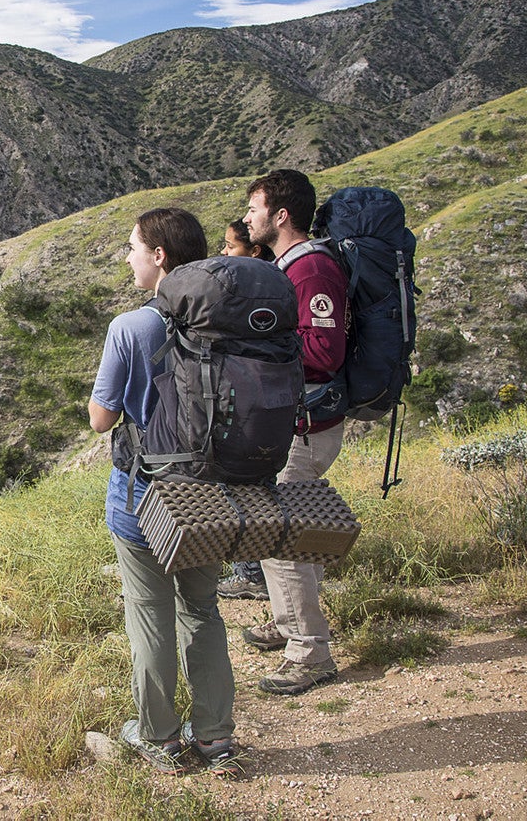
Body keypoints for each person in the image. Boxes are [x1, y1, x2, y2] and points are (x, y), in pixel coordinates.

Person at [89, 207, 242, 777]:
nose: (127, 257)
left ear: (159, 256)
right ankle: (217, 738)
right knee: (202, 610)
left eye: (132, 247)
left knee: (150, 614)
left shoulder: (132, 327)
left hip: (144, 496)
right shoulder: (228, 320)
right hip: (209, 494)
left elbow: (101, 420)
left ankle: (158, 737)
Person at [241, 170, 348, 696]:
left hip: (304, 426)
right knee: (283, 530)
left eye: (255, 208)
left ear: (281, 215)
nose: (247, 218)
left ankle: (309, 652)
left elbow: (325, 353)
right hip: (293, 422)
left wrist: (258, 351)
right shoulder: (289, 266)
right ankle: (288, 624)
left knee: (281, 536)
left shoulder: (310, 269)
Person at [216, 218, 275, 601]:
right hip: (271, 400)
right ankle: (256, 569)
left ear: (253, 251)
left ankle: (251, 573)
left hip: (248, 401)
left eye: (230, 246)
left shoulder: (250, 293)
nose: (223, 253)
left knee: (241, 487)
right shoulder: (275, 290)